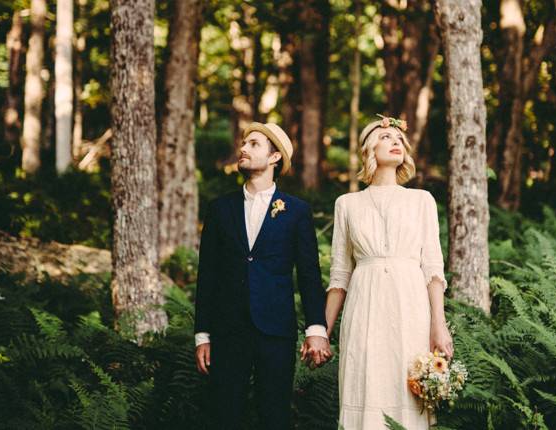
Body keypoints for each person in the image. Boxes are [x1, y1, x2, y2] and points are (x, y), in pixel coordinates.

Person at [194, 122, 332, 429]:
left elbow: (309, 274)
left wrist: (316, 328)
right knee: (224, 414)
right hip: (228, 330)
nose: (243, 149)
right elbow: (208, 276)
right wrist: (202, 335)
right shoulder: (219, 209)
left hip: (276, 331)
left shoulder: (297, 211)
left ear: (274, 158)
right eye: (244, 143)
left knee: (275, 415)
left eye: (253, 144)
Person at [323, 116, 454, 429]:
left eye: (399, 138)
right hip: (364, 307)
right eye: (385, 137)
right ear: (369, 147)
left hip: (410, 308)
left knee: (406, 393)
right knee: (365, 384)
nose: (396, 142)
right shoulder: (347, 204)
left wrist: (439, 324)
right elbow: (340, 276)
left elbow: (433, 269)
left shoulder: (421, 200)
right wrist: (321, 334)